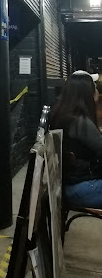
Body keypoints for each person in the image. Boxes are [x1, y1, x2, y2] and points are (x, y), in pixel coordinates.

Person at [50, 70, 102, 208]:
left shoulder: (62, 115)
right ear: (87, 93)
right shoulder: (81, 122)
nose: (97, 91)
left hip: (68, 185)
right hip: (82, 188)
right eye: (94, 88)